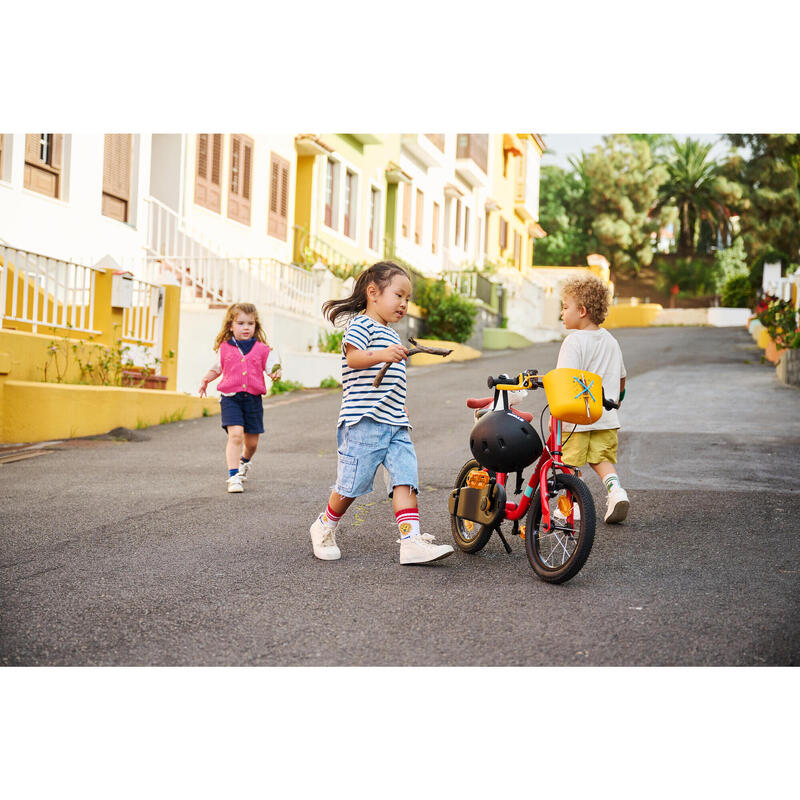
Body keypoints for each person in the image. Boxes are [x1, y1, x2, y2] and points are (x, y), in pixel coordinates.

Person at [308, 261, 454, 565]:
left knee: (405, 477)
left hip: (395, 423)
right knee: (351, 485)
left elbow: (392, 382)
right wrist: (384, 355)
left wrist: (401, 409)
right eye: (398, 295)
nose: (404, 304)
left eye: (407, 299)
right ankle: (324, 526)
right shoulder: (361, 325)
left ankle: (411, 540)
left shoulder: (390, 334)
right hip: (364, 421)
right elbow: (354, 359)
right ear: (373, 292)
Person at [556, 275, 629, 523]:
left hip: (577, 417)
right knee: (602, 460)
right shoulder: (610, 340)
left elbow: (565, 379)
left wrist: (557, 416)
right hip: (606, 415)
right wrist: (618, 399)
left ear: (582, 311)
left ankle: (570, 507)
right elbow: (621, 377)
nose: (562, 313)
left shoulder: (573, 342)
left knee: (569, 463)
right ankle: (616, 492)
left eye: (565, 307)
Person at [199, 302, 281, 493]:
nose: (246, 327)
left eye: (250, 324)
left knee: (251, 443)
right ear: (231, 325)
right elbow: (216, 368)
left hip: (253, 400)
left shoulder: (262, 349)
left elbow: (271, 368)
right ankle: (233, 476)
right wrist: (205, 380)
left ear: (256, 326)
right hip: (230, 398)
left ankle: (244, 461)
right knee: (235, 435)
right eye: (241, 323)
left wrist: (275, 374)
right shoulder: (224, 348)